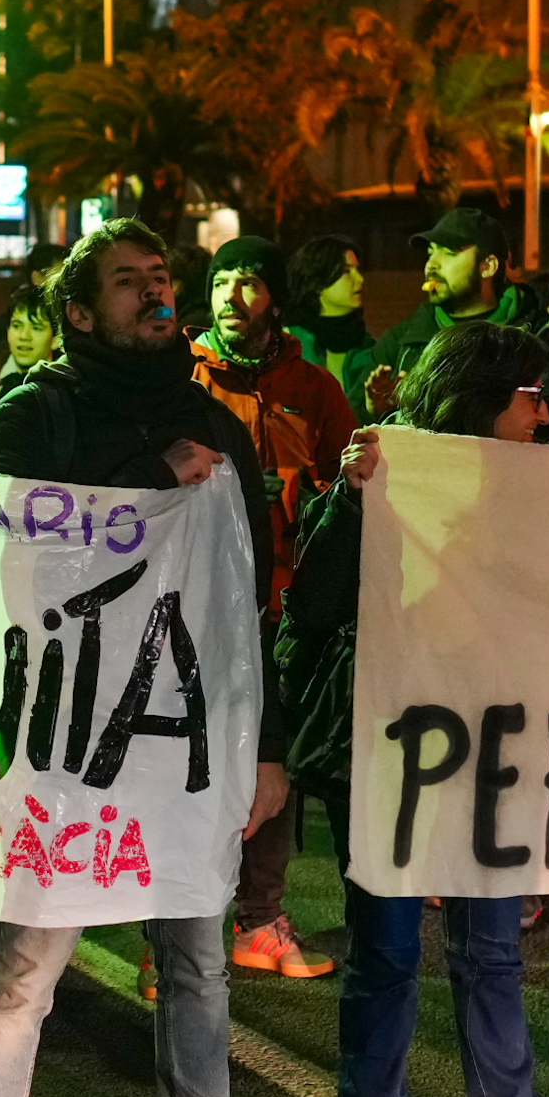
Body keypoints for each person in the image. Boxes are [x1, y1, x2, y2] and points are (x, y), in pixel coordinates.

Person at [0, 221, 307, 1097]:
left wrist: (266, 749)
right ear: (80, 311)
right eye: (128, 280)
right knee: (26, 973)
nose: (156, 292)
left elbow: (246, 606)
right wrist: (147, 476)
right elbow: (15, 538)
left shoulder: (214, 421)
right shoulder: (34, 408)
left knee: (195, 957)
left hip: (181, 742)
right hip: (66, 742)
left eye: (163, 277)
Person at [278, 322, 549, 1097]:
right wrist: (349, 499)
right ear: (482, 398)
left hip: (496, 742)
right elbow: (314, 600)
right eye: (531, 395)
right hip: (394, 744)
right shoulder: (387, 469)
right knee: (383, 952)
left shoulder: (546, 487)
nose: (546, 412)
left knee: (492, 948)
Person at [188, 236, 353, 985]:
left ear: (274, 298)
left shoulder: (314, 390)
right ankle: (181, 929)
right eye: (221, 281)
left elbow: (344, 491)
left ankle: (260, 918)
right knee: (192, 761)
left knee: (270, 767)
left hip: (279, 608)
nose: (230, 296)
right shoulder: (181, 376)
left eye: (247, 281)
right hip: (192, 603)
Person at [358, 203, 530, 412]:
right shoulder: (403, 341)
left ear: (488, 266)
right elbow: (350, 421)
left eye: (449, 252)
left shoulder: (534, 337)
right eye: (431, 252)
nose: (431, 264)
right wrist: (376, 412)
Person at [0, 285, 62, 467]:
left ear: (56, 339)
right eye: (17, 325)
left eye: (37, 328)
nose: (24, 336)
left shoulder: (69, 397)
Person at [292, 235, 375, 401]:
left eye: (357, 270)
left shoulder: (370, 350)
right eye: (346, 272)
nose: (360, 279)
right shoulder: (289, 345)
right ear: (317, 282)